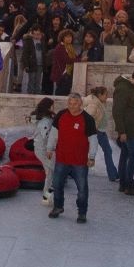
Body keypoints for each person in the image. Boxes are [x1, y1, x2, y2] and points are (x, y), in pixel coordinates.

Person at [50, 93, 93, 224]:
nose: (72, 106)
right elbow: (53, 133)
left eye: (75, 103)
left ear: (80, 104)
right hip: (62, 158)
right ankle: (58, 207)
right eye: (70, 103)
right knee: (57, 185)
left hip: (79, 161)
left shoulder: (87, 119)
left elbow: (93, 139)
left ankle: (82, 213)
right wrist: (49, 148)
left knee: (82, 189)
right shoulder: (61, 115)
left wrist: (91, 156)